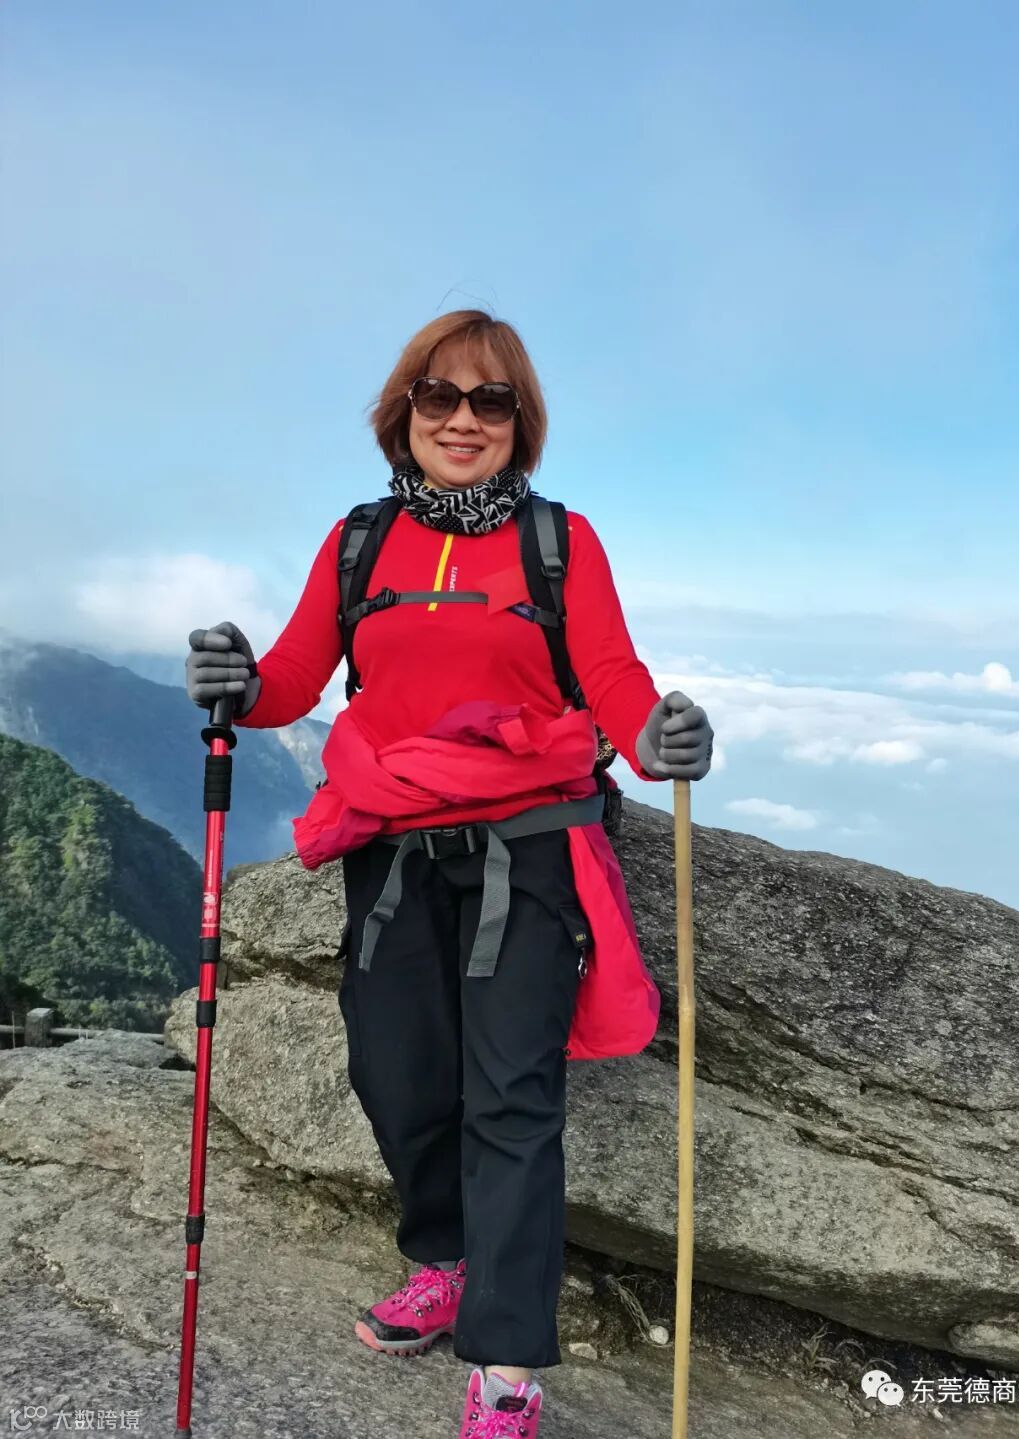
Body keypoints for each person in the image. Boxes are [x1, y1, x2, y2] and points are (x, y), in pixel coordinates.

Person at [185, 309, 713, 1437]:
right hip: (391, 847)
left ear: (522, 421)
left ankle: (507, 1366)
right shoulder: (359, 541)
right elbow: (294, 675)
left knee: (514, 1096)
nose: (463, 418)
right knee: (397, 1072)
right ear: (404, 412)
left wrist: (655, 733)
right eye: (440, 395)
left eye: (491, 399)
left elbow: (612, 673)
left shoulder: (559, 541)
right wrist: (237, 678)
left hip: (530, 846)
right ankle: (446, 1257)